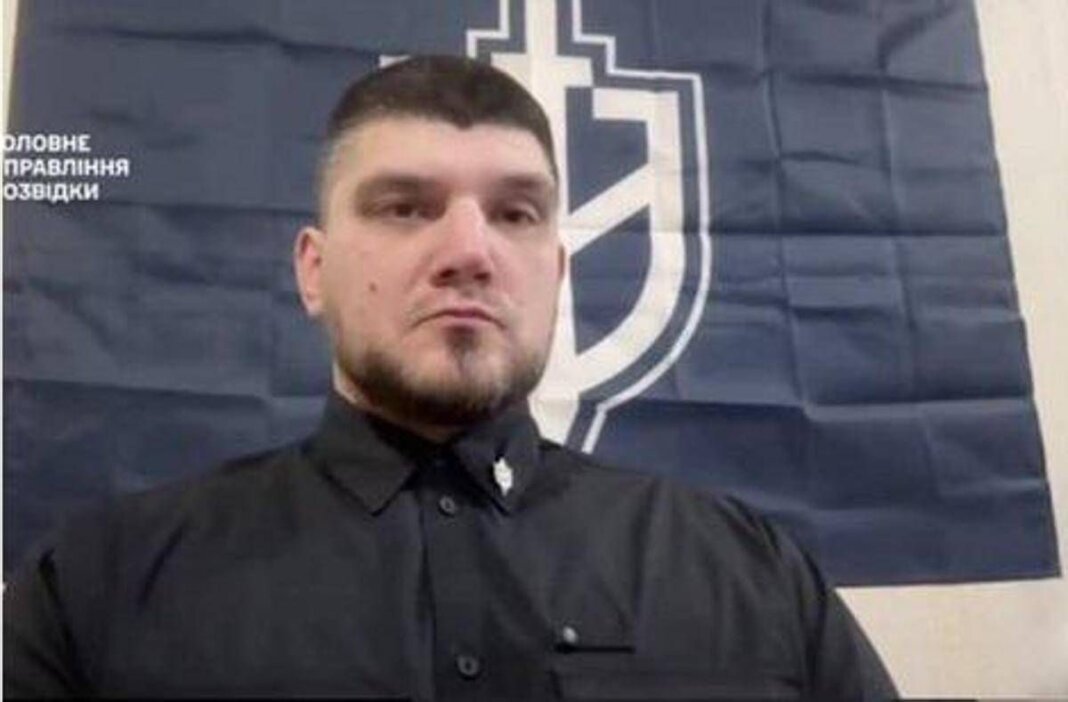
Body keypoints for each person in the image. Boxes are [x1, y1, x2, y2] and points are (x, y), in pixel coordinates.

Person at [3, 55, 897, 700]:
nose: (469, 250)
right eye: (404, 207)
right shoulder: (99, 587)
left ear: (557, 273)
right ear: (313, 270)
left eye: (516, 213)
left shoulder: (750, 574)